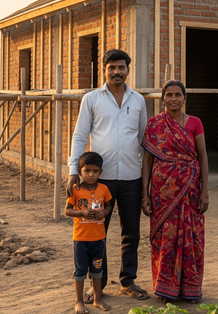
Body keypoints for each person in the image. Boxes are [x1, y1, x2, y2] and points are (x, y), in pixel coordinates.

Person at [67, 49, 149, 301]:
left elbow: (144, 139)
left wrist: (148, 179)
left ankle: (128, 281)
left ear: (127, 69)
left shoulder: (138, 101)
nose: (116, 72)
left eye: (121, 67)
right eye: (111, 67)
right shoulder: (92, 99)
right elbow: (80, 136)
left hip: (132, 178)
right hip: (99, 182)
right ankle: (96, 284)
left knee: (131, 233)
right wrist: (73, 171)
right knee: (97, 232)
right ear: (104, 70)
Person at [141, 80, 209, 303]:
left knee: (192, 237)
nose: (173, 99)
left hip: (190, 191)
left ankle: (190, 289)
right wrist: (146, 194)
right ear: (162, 99)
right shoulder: (155, 124)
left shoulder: (195, 123)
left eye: (177, 95)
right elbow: (148, 161)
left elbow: (202, 157)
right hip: (163, 194)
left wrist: (205, 192)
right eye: (168, 95)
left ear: (184, 98)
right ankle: (165, 289)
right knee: (165, 238)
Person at [65, 151, 113, 314]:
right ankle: (79, 301)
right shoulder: (76, 189)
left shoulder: (104, 189)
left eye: (95, 171)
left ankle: (97, 298)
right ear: (80, 172)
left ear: (101, 172)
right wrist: (82, 213)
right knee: (80, 271)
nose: (91, 175)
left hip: (99, 239)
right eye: (87, 171)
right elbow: (67, 211)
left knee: (97, 270)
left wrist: (104, 213)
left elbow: (108, 206)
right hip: (81, 239)